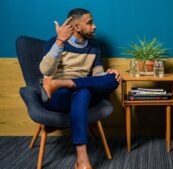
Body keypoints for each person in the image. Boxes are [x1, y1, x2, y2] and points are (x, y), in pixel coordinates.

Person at [39, 8, 122, 169]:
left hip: (74, 91)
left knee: (113, 79)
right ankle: (82, 159)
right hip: (58, 97)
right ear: (76, 27)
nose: (94, 26)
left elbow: (97, 75)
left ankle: (82, 160)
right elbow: (45, 71)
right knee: (83, 90)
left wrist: (107, 74)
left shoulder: (94, 46)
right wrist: (60, 42)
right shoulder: (55, 42)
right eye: (89, 23)